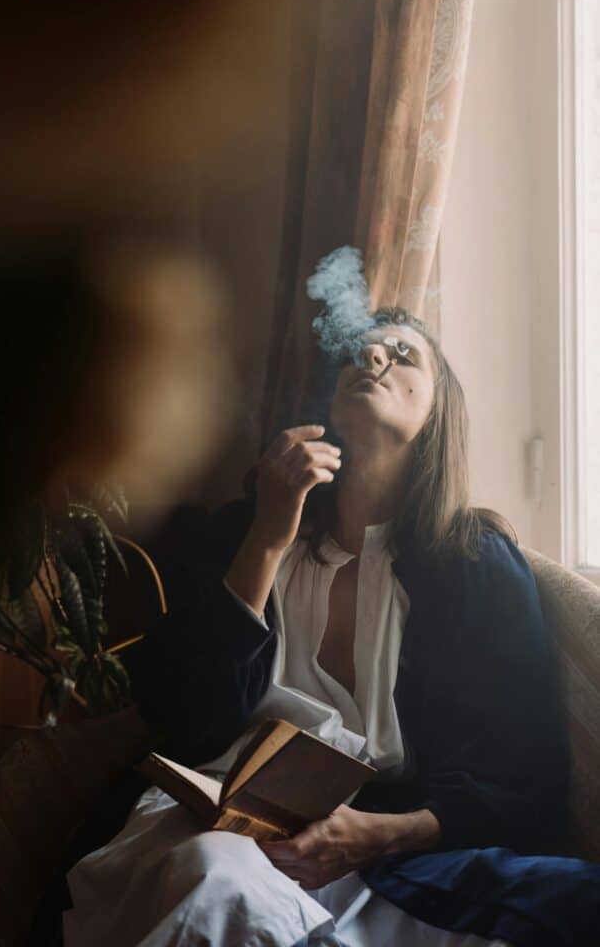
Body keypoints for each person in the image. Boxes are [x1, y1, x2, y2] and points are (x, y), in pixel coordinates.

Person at [63, 308, 570, 946]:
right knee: (215, 878)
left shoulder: (474, 564)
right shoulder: (240, 533)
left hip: (387, 857)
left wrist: (380, 833)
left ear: (437, 416)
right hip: (215, 831)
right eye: (359, 351)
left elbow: (527, 773)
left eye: (403, 353)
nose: (376, 358)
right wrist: (267, 540)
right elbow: (184, 720)